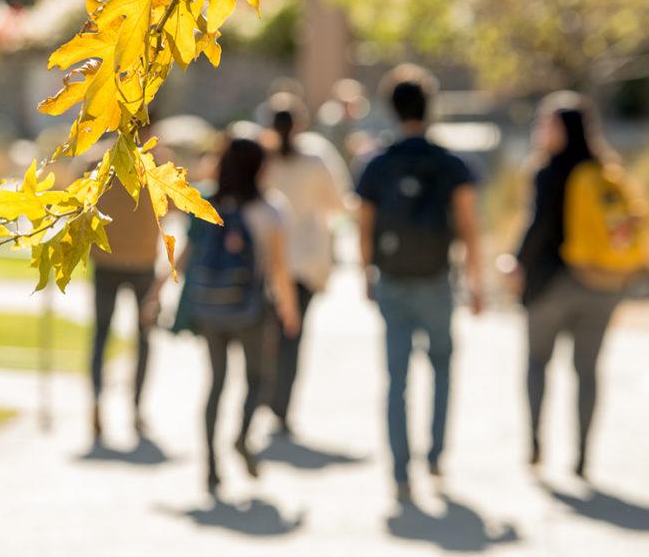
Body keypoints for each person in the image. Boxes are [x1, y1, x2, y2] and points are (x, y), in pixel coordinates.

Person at [355, 65, 485, 501]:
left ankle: (400, 471)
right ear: (429, 108)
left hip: (392, 278)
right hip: (435, 279)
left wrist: (366, 272)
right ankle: (435, 455)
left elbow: (364, 225)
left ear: (392, 109)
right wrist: (476, 281)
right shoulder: (450, 164)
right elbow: (468, 228)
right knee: (443, 365)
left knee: (396, 379)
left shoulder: (377, 164)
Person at [148, 137, 300, 493]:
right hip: (250, 311)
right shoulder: (269, 210)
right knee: (257, 379)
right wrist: (289, 309)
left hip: (209, 310)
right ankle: (243, 436)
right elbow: (278, 270)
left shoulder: (206, 205)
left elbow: (185, 255)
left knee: (215, 384)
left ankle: (211, 465)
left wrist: (156, 292)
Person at [509, 91, 627, 479]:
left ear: (560, 129)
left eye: (546, 122)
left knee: (537, 363)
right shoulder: (605, 170)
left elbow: (537, 227)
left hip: (553, 285)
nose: (539, 129)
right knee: (588, 371)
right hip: (602, 284)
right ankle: (582, 454)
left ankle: (534, 442)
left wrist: (515, 263)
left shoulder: (549, 171)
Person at [260, 93, 348, 436]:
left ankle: (265, 394)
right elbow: (338, 203)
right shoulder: (317, 157)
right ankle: (281, 405)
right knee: (292, 336)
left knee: (268, 331)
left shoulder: (262, 158)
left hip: (269, 259)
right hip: (307, 259)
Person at [88, 159, 160, 441]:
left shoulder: (97, 160)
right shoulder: (151, 161)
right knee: (140, 337)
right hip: (137, 261)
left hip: (113, 259)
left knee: (103, 335)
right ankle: (134, 406)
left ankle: (104, 403)